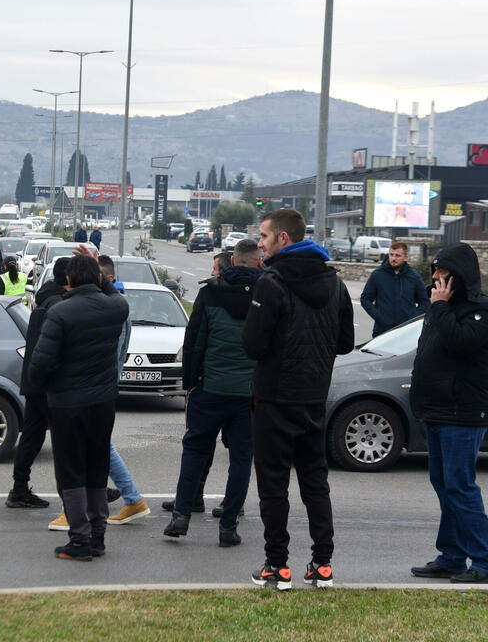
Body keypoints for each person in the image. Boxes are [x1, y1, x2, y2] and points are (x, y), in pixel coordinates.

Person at [241, 209, 354, 590]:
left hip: (273, 399)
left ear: (283, 239)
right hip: (314, 398)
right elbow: (346, 343)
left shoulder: (270, 281)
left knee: (273, 486)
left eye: (263, 235)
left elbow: (253, 345)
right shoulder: (335, 284)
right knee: (315, 481)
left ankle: (277, 567)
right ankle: (323, 565)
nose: (259, 242)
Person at [409, 243, 488, 584]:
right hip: (437, 410)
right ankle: (451, 556)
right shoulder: (443, 307)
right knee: (445, 486)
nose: (434, 278)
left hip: (462, 413)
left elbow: (459, 343)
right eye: (434, 271)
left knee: (460, 487)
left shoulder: (482, 311)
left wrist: (439, 308)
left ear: (459, 276)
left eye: (442, 272)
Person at [28, 254, 129, 561]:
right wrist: (98, 268)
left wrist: (46, 387)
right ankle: (98, 537)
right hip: (103, 403)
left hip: (67, 404)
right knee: (97, 469)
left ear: (68, 281)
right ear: (99, 279)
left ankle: (80, 539)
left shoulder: (60, 312)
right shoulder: (116, 308)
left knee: (71, 473)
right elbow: (114, 293)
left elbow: (39, 364)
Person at [164, 240, 261, 548]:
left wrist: (190, 384)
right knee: (241, 459)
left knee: (194, 451)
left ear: (232, 261)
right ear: (259, 263)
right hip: (248, 394)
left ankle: (181, 516)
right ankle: (228, 526)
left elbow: (194, 342)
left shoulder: (209, 293)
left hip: (209, 388)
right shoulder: (268, 295)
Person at [6, 257, 72, 509]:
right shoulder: (58, 305)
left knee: (32, 437)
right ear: (68, 278)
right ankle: (84, 491)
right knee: (70, 439)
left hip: (35, 382)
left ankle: (19, 489)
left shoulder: (45, 299)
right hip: (49, 384)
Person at [97, 254, 150, 526]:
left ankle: (132, 498)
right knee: (97, 446)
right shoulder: (114, 305)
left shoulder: (113, 309)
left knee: (98, 445)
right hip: (103, 386)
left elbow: (108, 353)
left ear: (106, 279)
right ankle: (131, 498)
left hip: (99, 388)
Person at [360, 241, 430, 337]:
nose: (393, 258)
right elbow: (365, 298)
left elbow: (425, 302)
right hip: (381, 331)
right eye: (391, 255)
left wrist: (412, 318)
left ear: (406, 257)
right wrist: (378, 316)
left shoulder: (414, 277)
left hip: (406, 332)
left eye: (397, 255)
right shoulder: (378, 274)